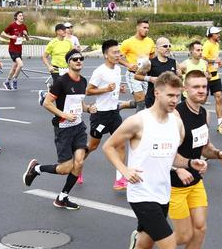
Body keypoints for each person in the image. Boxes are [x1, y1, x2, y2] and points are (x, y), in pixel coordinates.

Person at [100, 71, 207, 249]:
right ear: (156, 92)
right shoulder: (138, 121)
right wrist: (124, 171)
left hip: (162, 194)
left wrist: (189, 162)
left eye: (177, 95)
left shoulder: (177, 124)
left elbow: (171, 157)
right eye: (170, 95)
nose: (174, 100)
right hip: (141, 195)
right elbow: (109, 147)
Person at [169, 70, 222, 249]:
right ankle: (145, 238)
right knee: (183, 236)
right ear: (185, 90)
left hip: (194, 181)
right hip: (174, 183)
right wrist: (179, 168)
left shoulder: (204, 113)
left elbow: (203, 147)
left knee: (201, 228)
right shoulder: (176, 116)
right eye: (196, 87)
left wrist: (218, 153)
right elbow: (165, 152)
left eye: (204, 87)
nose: (202, 91)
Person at [22, 49, 97, 210]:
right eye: (75, 59)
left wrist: (88, 109)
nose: (78, 61)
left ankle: (62, 197)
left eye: (81, 59)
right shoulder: (61, 82)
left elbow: (79, 102)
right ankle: (36, 168)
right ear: (68, 62)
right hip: (63, 129)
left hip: (78, 128)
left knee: (79, 163)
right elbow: (47, 103)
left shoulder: (83, 81)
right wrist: (63, 114)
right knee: (65, 169)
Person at [85, 39, 135, 191]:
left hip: (114, 113)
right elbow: (88, 90)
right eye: (114, 52)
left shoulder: (118, 69)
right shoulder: (100, 71)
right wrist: (105, 89)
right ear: (106, 55)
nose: (118, 54)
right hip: (100, 115)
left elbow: (114, 87)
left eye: (119, 52)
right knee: (93, 146)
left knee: (120, 145)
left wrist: (119, 89)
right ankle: (77, 164)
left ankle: (120, 180)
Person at [119, 19, 155, 112]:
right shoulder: (128, 42)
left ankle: (122, 105)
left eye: (148, 28)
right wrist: (127, 64)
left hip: (145, 75)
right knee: (141, 103)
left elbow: (152, 56)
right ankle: (138, 125)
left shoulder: (150, 41)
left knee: (146, 101)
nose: (146, 30)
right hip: (133, 75)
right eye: (144, 27)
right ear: (137, 27)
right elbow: (117, 57)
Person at [135, 37, 177, 108]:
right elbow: (136, 76)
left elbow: (180, 75)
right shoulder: (150, 63)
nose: (168, 48)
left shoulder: (173, 62)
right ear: (157, 48)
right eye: (165, 46)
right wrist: (150, 79)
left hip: (169, 101)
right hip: (153, 100)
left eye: (169, 46)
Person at [202, 26, 222, 128]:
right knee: (202, 100)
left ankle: (220, 122)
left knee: (219, 97)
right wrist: (213, 61)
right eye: (217, 34)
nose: (219, 35)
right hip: (206, 76)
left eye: (218, 33)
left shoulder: (216, 44)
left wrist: (219, 63)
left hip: (215, 75)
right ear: (211, 35)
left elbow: (214, 59)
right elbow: (202, 58)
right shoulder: (207, 45)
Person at [0, 11, 29, 90]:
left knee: (14, 68)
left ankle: (7, 81)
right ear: (16, 17)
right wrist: (11, 36)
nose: (22, 17)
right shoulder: (12, 25)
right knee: (21, 64)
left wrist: (26, 34)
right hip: (12, 49)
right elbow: (2, 33)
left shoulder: (24, 26)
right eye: (20, 16)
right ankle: (15, 79)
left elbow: (27, 39)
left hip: (19, 49)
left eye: (22, 16)